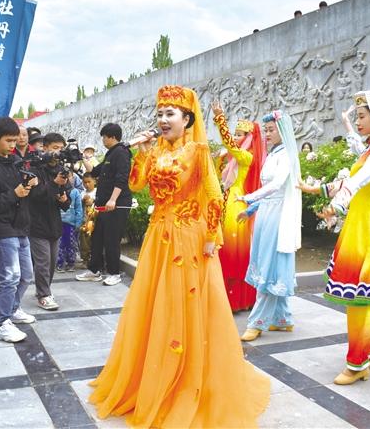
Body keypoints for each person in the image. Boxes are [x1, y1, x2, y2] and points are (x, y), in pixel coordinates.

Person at [88, 85, 271, 427]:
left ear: (187, 119)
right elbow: (137, 184)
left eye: (170, 114)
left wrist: (211, 235)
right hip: (159, 236)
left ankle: (188, 377)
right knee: (155, 302)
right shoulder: (155, 149)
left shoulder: (198, 150)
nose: (163, 119)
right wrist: (142, 151)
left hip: (188, 238)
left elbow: (214, 195)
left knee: (184, 304)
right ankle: (153, 374)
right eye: (159, 113)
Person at [299, 87, 370, 385]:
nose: (358, 121)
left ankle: (358, 363)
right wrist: (317, 189)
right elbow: (350, 179)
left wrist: (335, 206)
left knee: (361, 299)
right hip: (360, 230)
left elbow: (357, 182)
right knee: (363, 296)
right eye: (357, 116)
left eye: (362, 116)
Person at [238, 110, 302, 340]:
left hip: (279, 216)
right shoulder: (273, 154)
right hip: (266, 213)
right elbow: (269, 191)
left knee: (269, 265)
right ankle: (282, 319)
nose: (266, 134)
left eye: (271, 130)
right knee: (269, 262)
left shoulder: (286, 156)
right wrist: (251, 209)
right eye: (265, 130)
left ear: (283, 131)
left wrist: (249, 197)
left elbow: (276, 186)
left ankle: (257, 322)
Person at [0, 117, 38, 342]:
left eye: (16, 140)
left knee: (26, 275)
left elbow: (22, 188)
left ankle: (12, 309)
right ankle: (1, 324)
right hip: (2, 229)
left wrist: (30, 183)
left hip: (21, 226)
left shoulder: (14, 161)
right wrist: (15, 194)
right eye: (9, 140)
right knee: (10, 277)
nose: (14, 144)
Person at [210, 100, 265, 311]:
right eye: (235, 133)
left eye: (240, 134)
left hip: (236, 205)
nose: (235, 137)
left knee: (235, 254)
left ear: (249, 138)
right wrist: (221, 159)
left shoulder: (246, 156)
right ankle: (230, 298)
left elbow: (229, 144)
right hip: (228, 203)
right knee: (226, 251)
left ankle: (237, 300)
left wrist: (220, 119)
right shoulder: (235, 159)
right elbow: (219, 176)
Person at [75, 123, 132, 287]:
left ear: (112, 137)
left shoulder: (121, 153)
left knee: (112, 240)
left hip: (116, 205)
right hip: (103, 206)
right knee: (97, 238)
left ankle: (114, 273)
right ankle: (94, 270)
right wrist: (83, 158)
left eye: (104, 137)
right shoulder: (110, 154)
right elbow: (94, 171)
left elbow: (121, 178)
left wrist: (113, 200)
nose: (103, 140)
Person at [29, 133, 72, 310]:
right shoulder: (35, 168)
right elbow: (35, 195)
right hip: (36, 223)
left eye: (61, 148)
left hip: (54, 223)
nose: (58, 152)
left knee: (52, 262)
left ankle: (44, 289)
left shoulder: (62, 170)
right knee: (43, 262)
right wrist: (54, 183)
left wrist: (64, 200)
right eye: (55, 148)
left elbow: (66, 201)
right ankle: (44, 295)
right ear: (44, 148)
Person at [57, 171, 83, 273]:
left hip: (71, 223)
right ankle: (59, 263)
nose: (67, 178)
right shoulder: (57, 190)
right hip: (58, 222)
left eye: (69, 176)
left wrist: (78, 223)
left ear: (73, 178)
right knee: (60, 244)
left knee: (71, 244)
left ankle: (71, 263)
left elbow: (78, 208)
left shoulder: (75, 192)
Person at [78, 171, 98, 269]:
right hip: (85, 220)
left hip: (96, 219)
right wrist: (83, 200)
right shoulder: (82, 193)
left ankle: (95, 259)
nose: (87, 184)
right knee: (84, 241)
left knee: (96, 240)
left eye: (89, 182)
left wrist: (93, 200)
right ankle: (85, 259)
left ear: (94, 181)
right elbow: (79, 205)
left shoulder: (97, 192)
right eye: (85, 182)